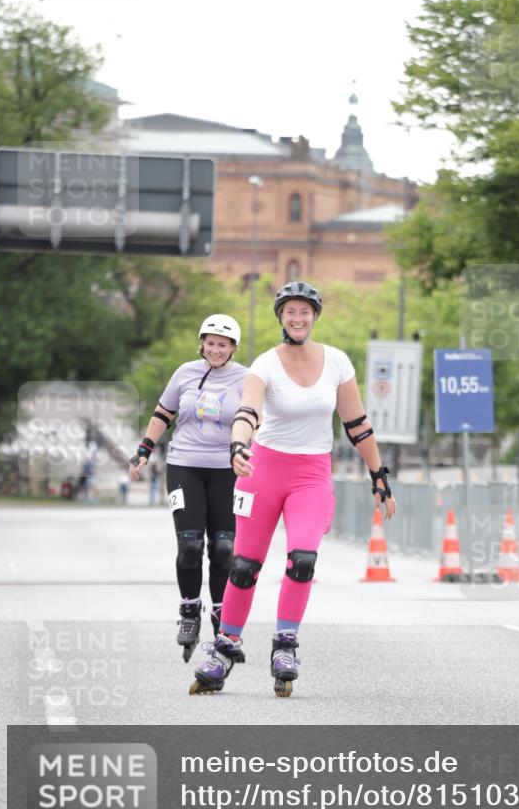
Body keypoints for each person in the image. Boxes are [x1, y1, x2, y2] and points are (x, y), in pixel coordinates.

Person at [189, 281, 397, 698]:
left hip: (311, 473)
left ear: (314, 317)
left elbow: (357, 425)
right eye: (290, 312)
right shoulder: (265, 364)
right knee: (244, 566)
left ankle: (285, 645)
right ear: (280, 317)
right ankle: (225, 646)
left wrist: (379, 476)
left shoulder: (337, 362)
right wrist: (238, 444)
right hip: (262, 471)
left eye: (305, 312)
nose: (297, 318)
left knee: (302, 560)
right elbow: (248, 411)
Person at [129, 314, 247, 662]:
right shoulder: (185, 373)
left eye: (222, 344)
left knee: (224, 548)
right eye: (210, 343)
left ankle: (221, 615)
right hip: (184, 466)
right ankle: (190, 611)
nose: (215, 349)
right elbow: (163, 413)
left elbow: (257, 422)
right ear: (202, 344)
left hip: (228, 471)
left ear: (233, 348)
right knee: (190, 545)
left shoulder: (245, 379)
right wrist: (143, 450)